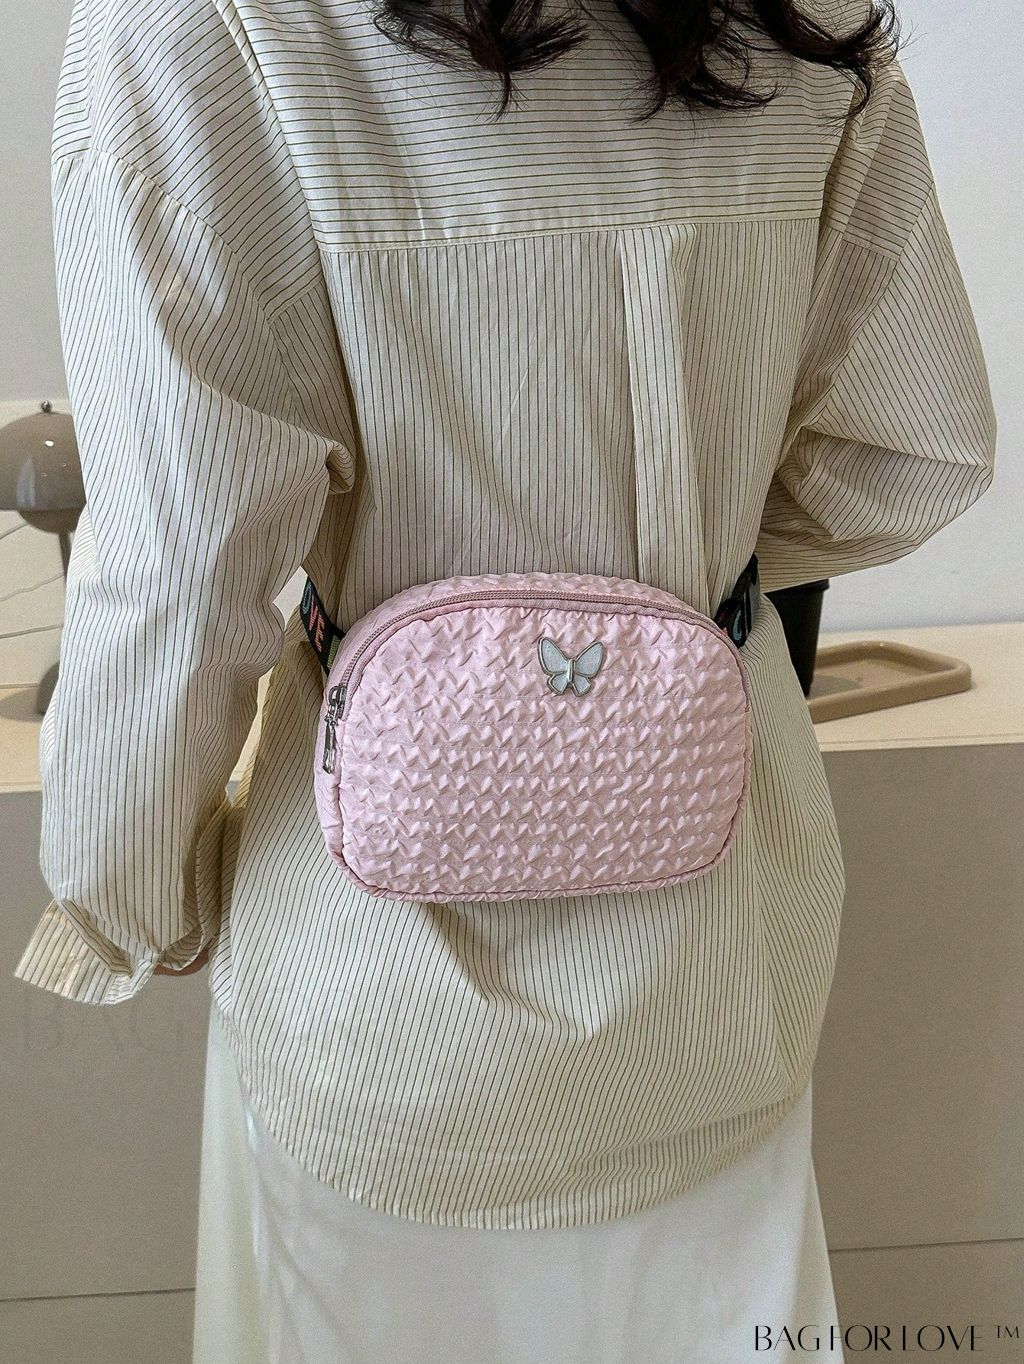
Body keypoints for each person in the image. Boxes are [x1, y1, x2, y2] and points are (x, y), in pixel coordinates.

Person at [14, 0, 997, 1358]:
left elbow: (182, 564)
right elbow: (907, 453)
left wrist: (125, 897)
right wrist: (658, 595)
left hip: (370, 991)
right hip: (720, 967)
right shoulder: (803, 17)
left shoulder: (202, 24)